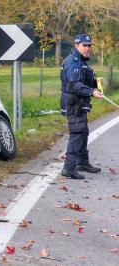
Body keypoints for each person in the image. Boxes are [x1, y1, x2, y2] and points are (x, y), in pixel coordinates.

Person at [60, 34, 103, 180]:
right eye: (84, 45)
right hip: (73, 103)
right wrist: (91, 92)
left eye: (89, 45)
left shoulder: (82, 62)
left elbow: (84, 80)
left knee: (83, 132)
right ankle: (68, 168)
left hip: (80, 103)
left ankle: (82, 163)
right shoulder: (73, 61)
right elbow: (75, 85)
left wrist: (96, 83)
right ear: (76, 45)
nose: (87, 48)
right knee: (77, 133)